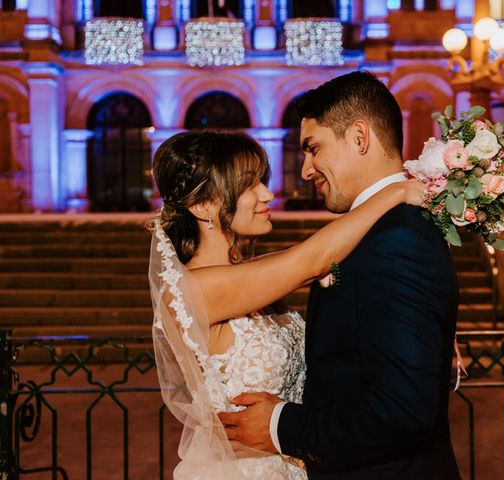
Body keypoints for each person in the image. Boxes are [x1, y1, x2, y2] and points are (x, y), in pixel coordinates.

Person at [219, 71, 461, 479]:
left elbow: (401, 411)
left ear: (359, 137)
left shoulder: (395, 240)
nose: (307, 170)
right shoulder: (381, 229)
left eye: (313, 149)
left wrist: (280, 425)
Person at [149, 129, 425, 479]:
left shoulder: (250, 277)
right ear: (203, 205)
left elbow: (334, 265)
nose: (267, 193)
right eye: (249, 185)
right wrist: (396, 191)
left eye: (262, 181)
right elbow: (313, 260)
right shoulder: (195, 290)